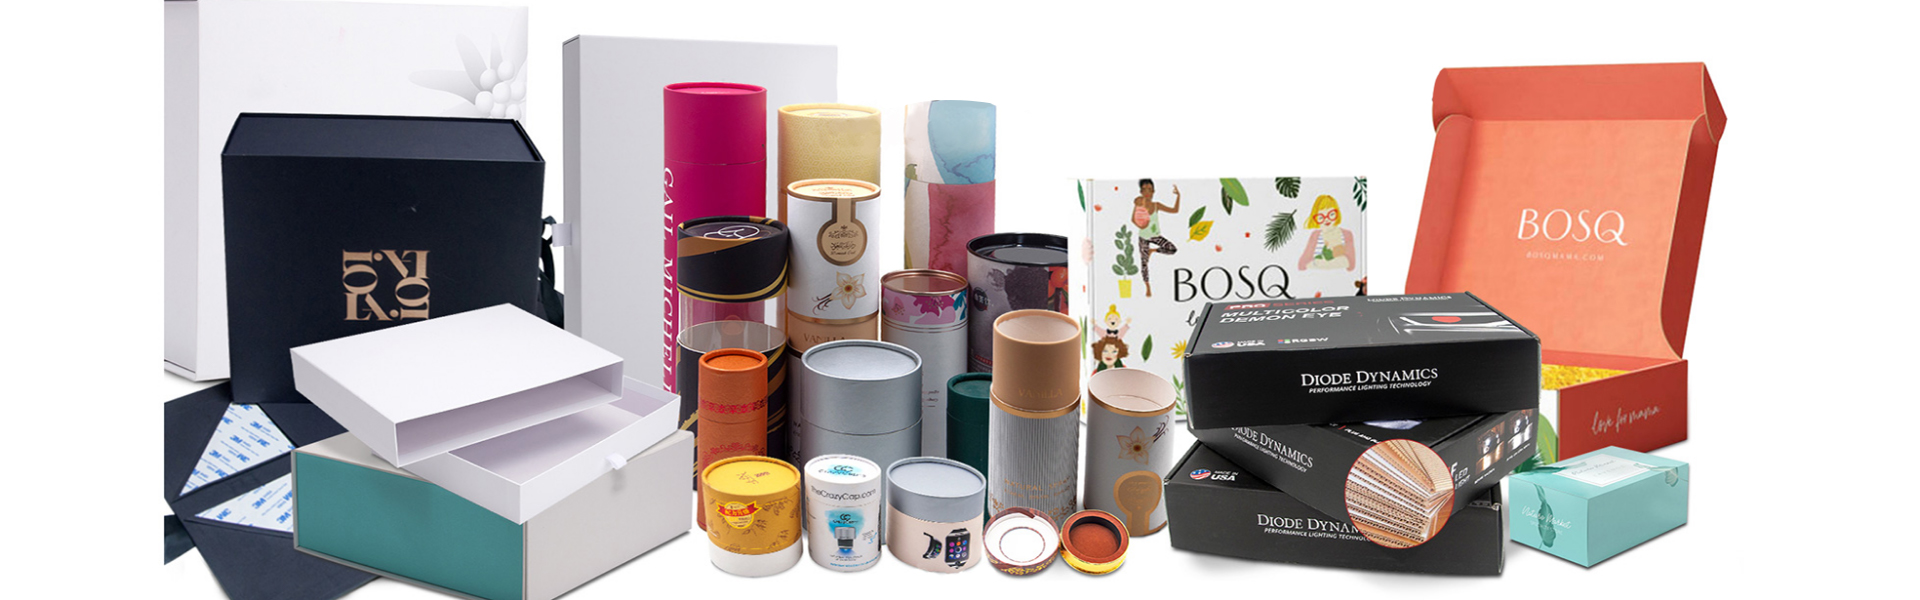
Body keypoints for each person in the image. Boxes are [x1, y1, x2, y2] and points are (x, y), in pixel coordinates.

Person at [1132, 179, 1182, 296]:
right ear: (1141, 191)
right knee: (1144, 263)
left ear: (1153, 191)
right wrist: (1141, 224)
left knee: (1172, 249)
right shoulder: (1139, 203)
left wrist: (1178, 196)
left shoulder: (1156, 205)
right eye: (1144, 190)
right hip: (1143, 237)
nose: (1147, 192)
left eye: (1150, 189)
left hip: (1155, 236)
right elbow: (1133, 219)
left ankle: (1152, 250)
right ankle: (1147, 286)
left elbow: (1174, 210)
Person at [1297, 194, 1357, 272]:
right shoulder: (1315, 235)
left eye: (1331, 214)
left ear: (1337, 214)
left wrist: (1319, 264)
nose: (1327, 219)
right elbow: (1302, 264)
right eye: (1321, 217)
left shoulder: (1347, 234)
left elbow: (1351, 264)